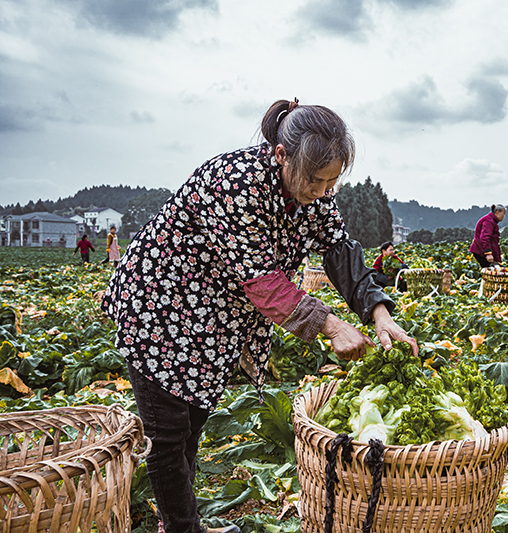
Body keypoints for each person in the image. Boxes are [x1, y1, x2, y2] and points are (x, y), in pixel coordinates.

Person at [102, 98, 418, 533]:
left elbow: (340, 252)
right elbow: (263, 283)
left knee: (192, 419)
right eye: (314, 180)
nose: (322, 191)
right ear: (281, 154)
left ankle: (181, 525)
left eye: (332, 182)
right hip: (159, 306)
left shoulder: (316, 195)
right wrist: (333, 325)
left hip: (210, 317)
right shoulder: (235, 183)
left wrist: (378, 311)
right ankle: (181, 528)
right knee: (169, 433)